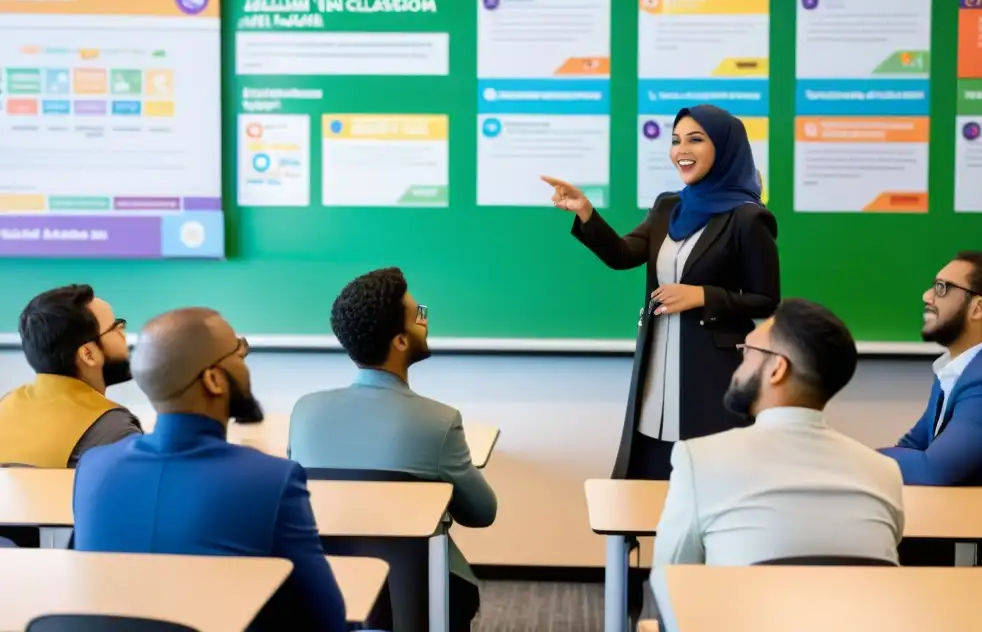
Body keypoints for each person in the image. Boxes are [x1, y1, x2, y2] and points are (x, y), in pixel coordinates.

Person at [543, 104, 781, 481]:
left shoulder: (749, 218)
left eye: (695, 139)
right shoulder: (668, 206)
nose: (681, 149)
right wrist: (586, 212)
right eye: (675, 140)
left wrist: (704, 295)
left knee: (710, 479)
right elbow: (623, 255)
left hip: (712, 372)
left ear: (726, 147)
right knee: (649, 476)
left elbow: (767, 300)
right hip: (657, 365)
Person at [72, 307, 347, 631]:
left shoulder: (93, 466)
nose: (245, 362)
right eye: (237, 352)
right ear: (213, 380)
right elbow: (326, 618)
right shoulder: (272, 480)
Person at [289, 267, 497, 632]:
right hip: (418, 597)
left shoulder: (305, 412)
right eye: (420, 314)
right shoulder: (439, 421)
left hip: (325, 590)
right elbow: (482, 512)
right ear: (400, 342)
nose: (425, 320)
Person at [652, 298, 904, 568]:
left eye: (748, 350)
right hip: (859, 611)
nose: (739, 363)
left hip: (740, 611)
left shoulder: (699, 459)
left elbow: (670, 578)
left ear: (777, 369)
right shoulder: (884, 472)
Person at [879, 251, 982, 486]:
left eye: (941, 288)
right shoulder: (958, 370)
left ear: (978, 308)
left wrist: (858, 460)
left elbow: (932, 469)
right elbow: (913, 445)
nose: (927, 296)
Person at [0, 284, 140, 468]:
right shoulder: (114, 430)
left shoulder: (6, 406)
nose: (123, 334)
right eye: (117, 327)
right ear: (88, 354)